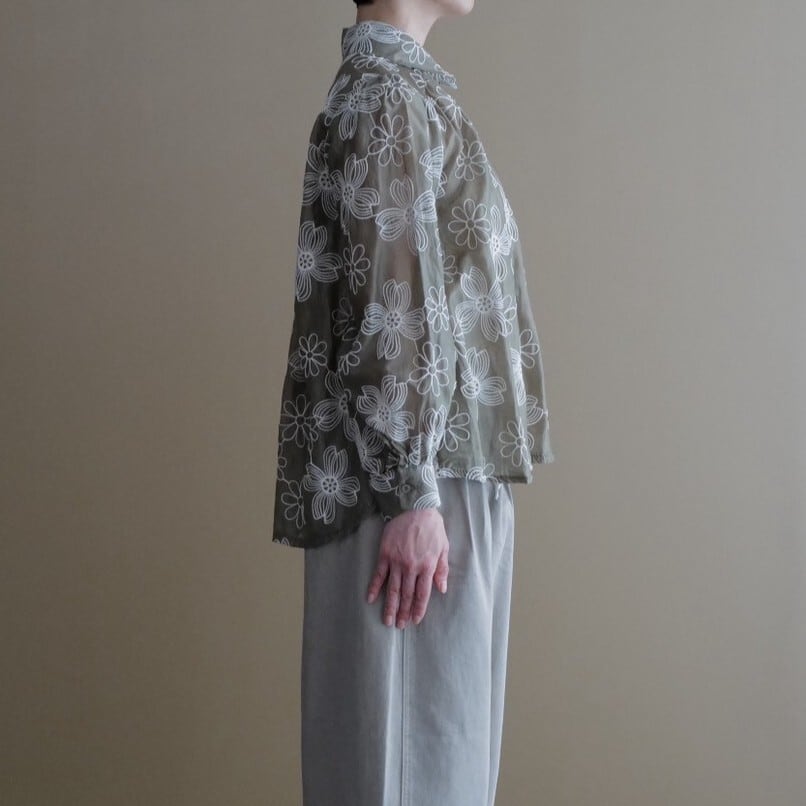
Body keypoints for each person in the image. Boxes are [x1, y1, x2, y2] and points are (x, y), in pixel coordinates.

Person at [271, 1, 555, 803]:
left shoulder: (401, 93)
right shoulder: (385, 97)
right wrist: (412, 494)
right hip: (412, 491)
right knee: (414, 771)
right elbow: (387, 303)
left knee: (434, 765)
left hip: (431, 479)